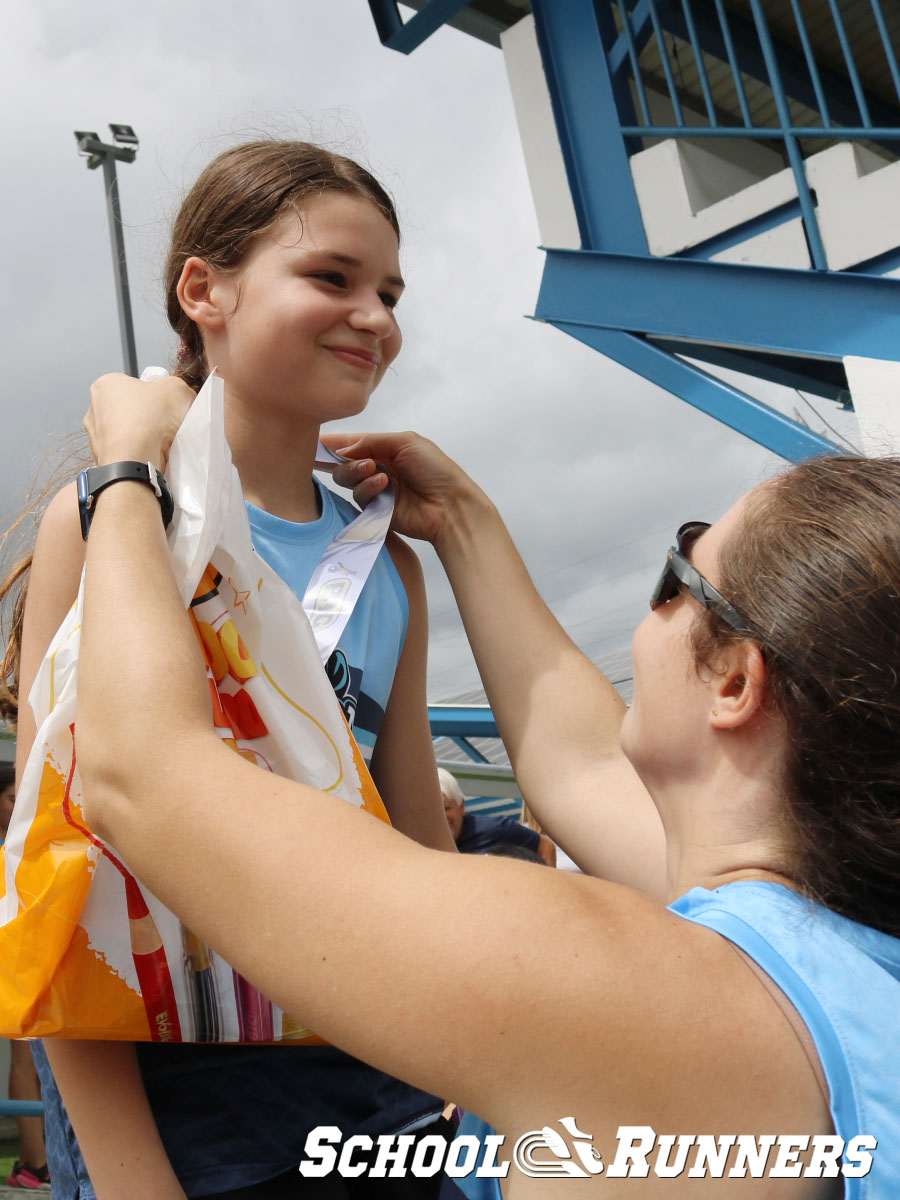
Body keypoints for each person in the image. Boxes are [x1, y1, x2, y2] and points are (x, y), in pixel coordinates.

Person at [73, 375, 900, 1195]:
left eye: (676, 575)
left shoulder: (623, 988)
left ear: (733, 685)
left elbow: (142, 775)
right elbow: (582, 764)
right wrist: (463, 523)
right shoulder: (844, 949)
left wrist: (127, 474)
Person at [4, 141, 456, 1199]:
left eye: (389, 291)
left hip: (378, 1066)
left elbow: (425, 850)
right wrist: (125, 1169)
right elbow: (57, 872)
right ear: (202, 290)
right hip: (173, 1084)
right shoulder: (112, 521)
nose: (377, 316)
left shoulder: (389, 562)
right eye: (333, 278)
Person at [0, 765, 50, 1190]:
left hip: (26, 951)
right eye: (10, 798)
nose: (17, 804)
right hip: (11, 955)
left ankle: (33, 1159)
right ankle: (35, 1163)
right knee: (25, 1054)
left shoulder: (30, 837)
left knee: (37, 1054)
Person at [438, 769, 556, 865]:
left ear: (462, 806)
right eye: (435, 811)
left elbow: (545, 847)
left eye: (446, 808)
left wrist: (548, 888)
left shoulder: (494, 828)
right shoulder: (421, 844)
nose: (441, 818)